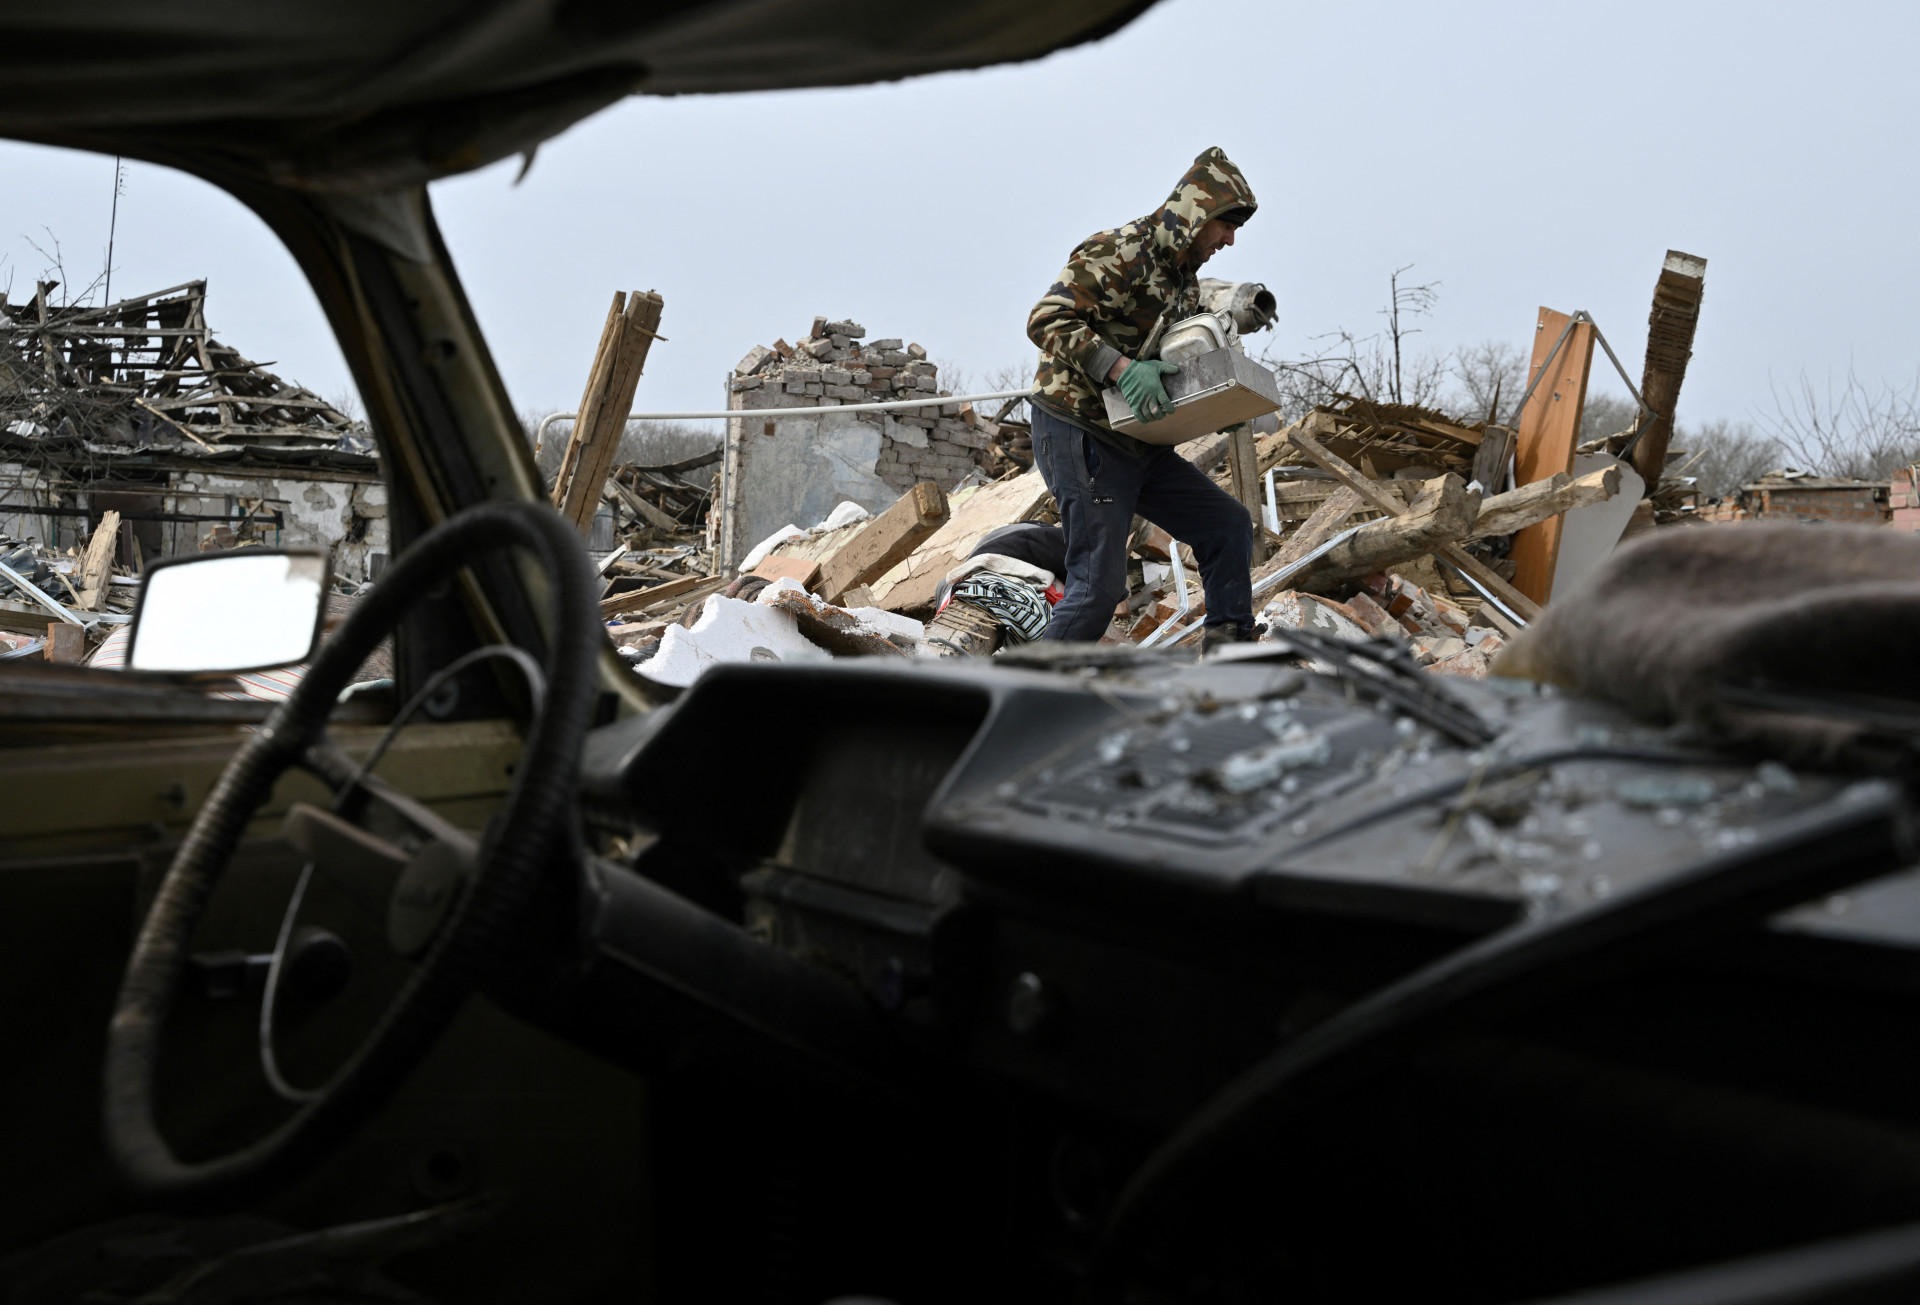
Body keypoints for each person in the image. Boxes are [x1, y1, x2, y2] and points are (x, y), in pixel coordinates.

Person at [1025, 146, 1261, 649]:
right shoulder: (1122, 250)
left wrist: (1222, 401)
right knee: (1097, 589)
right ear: (1196, 213)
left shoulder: (1184, 283)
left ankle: (1230, 672)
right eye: (1226, 225)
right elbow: (1045, 319)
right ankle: (1013, 699)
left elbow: (1174, 361)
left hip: (1137, 439)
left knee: (1228, 527)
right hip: (1078, 430)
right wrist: (1120, 368)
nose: (1230, 239)